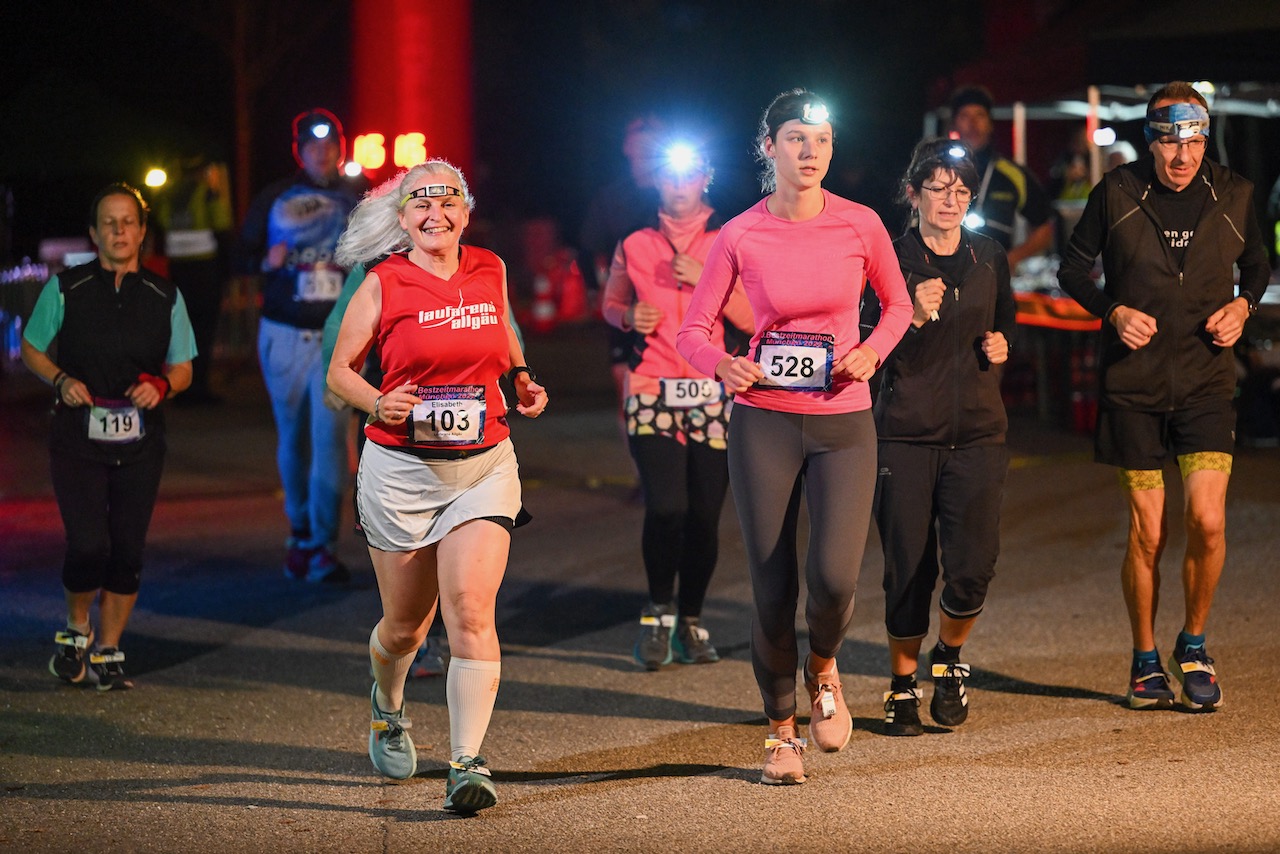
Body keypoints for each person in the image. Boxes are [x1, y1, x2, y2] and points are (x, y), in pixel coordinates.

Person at [676, 89, 912, 784]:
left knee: (835, 580)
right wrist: (722, 363)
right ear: (769, 147)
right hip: (766, 421)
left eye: (822, 140)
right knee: (772, 585)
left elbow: (897, 304)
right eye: (796, 139)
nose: (810, 152)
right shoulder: (741, 233)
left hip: (844, 419)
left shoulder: (861, 224)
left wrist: (872, 349)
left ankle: (826, 667)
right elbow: (693, 328)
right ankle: (781, 732)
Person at [327, 160, 547, 814]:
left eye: (447, 203)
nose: (435, 215)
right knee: (405, 628)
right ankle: (388, 705)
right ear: (402, 218)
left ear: (465, 210)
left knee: (472, 612)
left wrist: (523, 377)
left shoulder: (490, 268)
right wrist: (377, 401)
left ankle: (466, 761)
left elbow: (502, 328)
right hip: (402, 473)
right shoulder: (383, 283)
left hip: (482, 465)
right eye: (421, 205)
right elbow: (341, 372)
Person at [1057, 81, 1269, 712]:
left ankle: (1194, 644)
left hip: (1206, 381)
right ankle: (1145, 658)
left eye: (1194, 141)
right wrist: (1112, 310)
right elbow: (1074, 268)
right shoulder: (1117, 192)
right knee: (1148, 533)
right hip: (1134, 386)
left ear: (1206, 138)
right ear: (1150, 141)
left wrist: (1243, 304)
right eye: (1171, 142)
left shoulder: (1233, 193)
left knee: (1208, 521)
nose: (1183, 156)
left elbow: (1256, 262)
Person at [20, 183, 196, 691]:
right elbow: (33, 348)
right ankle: (76, 629)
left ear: (142, 232)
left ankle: (109, 647)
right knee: (87, 543)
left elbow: (183, 368)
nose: (120, 231)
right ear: (94, 233)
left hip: (140, 441)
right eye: (109, 222)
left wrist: (161, 384)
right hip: (77, 435)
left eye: (129, 222)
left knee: (127, 549)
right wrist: (59, 379)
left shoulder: (165, 295)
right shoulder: (67, 287)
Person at [874, 139, 1015, 736]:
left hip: (980, 433)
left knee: (973, 566)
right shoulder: (886, 261)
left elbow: (1003, 324)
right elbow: (864, 352)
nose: (952, 200)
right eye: (938, 188)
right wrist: (908, 315)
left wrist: (1003, 347)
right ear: (913, 194)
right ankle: (902, 684)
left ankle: (950, 659)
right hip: (905, 435)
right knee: (908, 567)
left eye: (962, 191)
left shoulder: (990, 256)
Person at [601, 140, 753, 670]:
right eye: (669, 176)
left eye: (689, 175)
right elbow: (612, 302)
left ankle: (690, 619)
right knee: (667, 507)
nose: (678, 185)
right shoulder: (636, 242)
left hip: (715, 390)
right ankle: (657, 610)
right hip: (652, 390)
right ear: (657, 183)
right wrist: (628, 318)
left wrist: (708, 281)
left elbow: (758, 319)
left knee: (705, 517)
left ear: (705, 178)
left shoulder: (732, 238)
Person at [238, 108, 368, 583]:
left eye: (331, 143)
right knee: (293, 438)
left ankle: (322, 547)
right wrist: (265, 261)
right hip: (284, 334)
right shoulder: (275, 197)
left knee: (332, 442)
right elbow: (240, 255)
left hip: (338, 340)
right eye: (312, 146)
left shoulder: (360, 198)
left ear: (340, 147)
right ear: (299, 151)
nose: (322, 152)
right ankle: (299, 533)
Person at [949, 85, 1055, 270]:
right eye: (965, 116)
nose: (973, 123)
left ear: (990, 124)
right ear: (954, 124)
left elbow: (1045, 230)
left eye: (980, 115)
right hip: (944, 278)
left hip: (994, 280)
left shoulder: (1012, 174)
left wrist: (1012, 258)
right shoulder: (939, 171)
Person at [155, 156, 233, 403]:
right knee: (204, 330)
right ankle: (199, 387)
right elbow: (222, 224)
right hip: (205, 270)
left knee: (182, 329)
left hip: (178, 270)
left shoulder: (167, 195)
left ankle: (181, 387)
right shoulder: (207, 193)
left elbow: (160, 226)